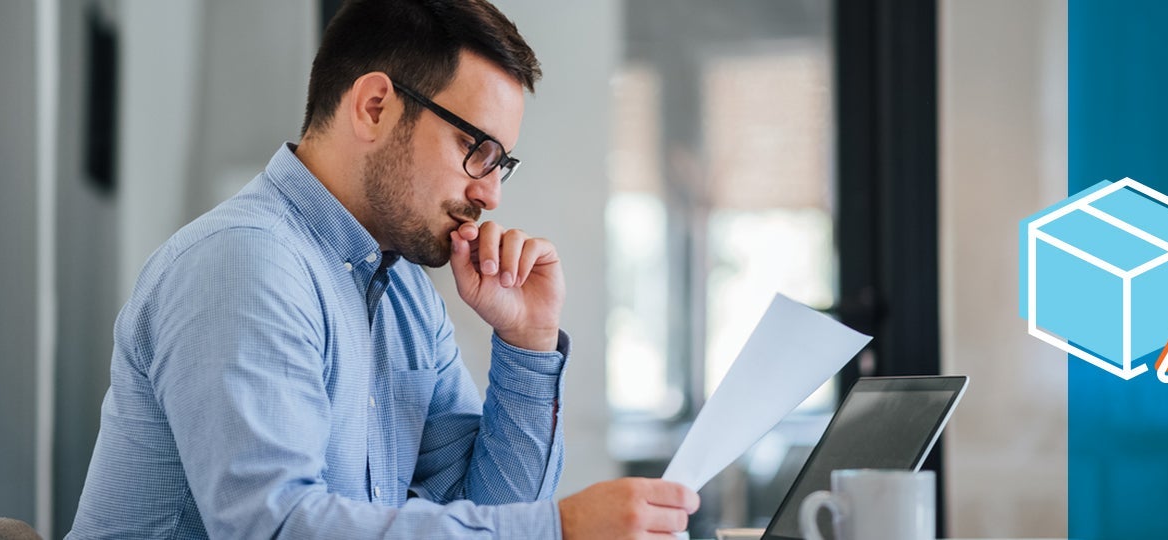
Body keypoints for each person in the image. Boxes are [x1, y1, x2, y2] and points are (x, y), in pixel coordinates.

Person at [67, 0, 698, 538]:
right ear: (373, 107)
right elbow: (275, 526)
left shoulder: (403, 293)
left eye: (501, 164)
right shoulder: (244, 262)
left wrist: (526, 343)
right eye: (475, 150)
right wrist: (559, 527)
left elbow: (486, 513)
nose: (490, 195)